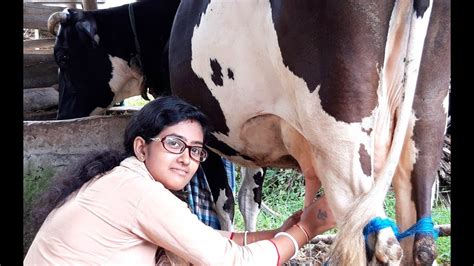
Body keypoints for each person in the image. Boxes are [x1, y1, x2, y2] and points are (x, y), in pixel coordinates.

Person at [24, 96, 335, 265]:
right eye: (174, 144)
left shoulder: (124, 180)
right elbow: (231, 262)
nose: (187, 158)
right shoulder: (138, 192)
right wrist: (306, 230)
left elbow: (203, 239)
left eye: (196, 150)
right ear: (142, 147)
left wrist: (277, 234)